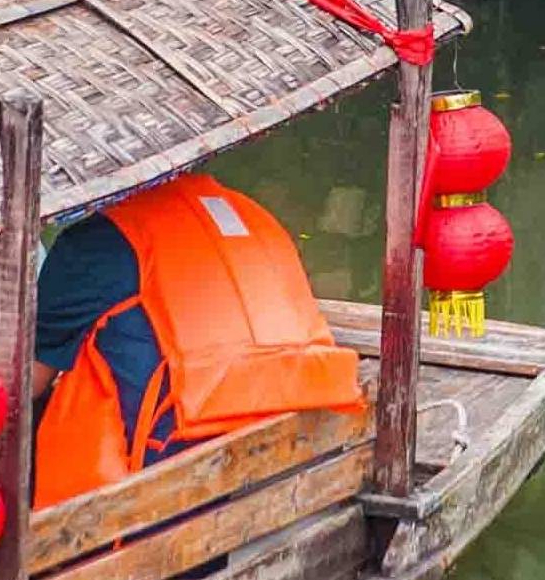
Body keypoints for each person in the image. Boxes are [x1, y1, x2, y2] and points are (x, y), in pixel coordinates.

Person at [30, 170, 365, 508]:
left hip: (169, 505)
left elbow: (27, 383)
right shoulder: (251, 214)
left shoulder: (96, 243)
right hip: (302, 477)